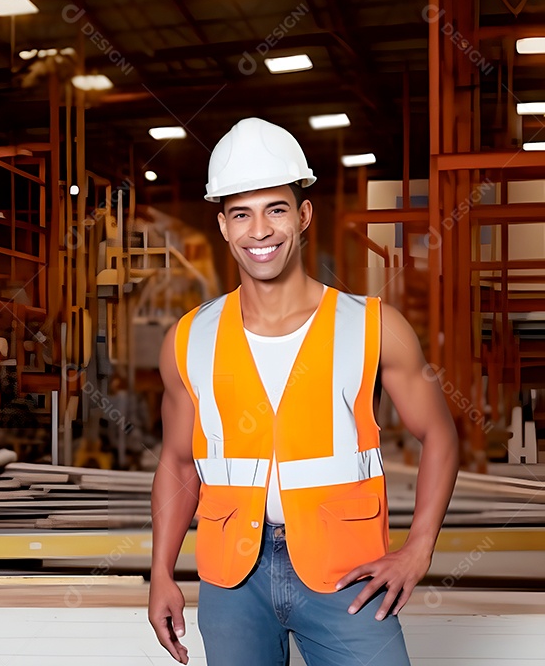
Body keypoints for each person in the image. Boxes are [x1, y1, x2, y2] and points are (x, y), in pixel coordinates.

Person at [147, 118, 459, 665]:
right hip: (231, 580)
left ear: (304, 215)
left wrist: (417, 551)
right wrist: (160, 573)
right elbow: (178, 461)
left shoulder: (372, 326)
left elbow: (440, 434)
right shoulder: (189, 337)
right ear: (223, 226)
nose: (260, 231)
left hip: (345, 574)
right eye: (241, 213)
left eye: (276, 209)